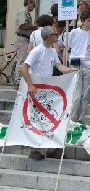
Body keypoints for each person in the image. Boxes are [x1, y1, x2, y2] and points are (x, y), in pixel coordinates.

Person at [20, 26, 77, 160]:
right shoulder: (37, 50)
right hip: (37, 90)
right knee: (38, 120)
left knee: (53, 118)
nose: (57, 36)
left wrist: (70, 70)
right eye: (55, 34)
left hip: (48, 89)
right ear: (48, 37)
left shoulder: (52, 51)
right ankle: (36, 150)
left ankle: (53, 148)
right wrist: (30, 85)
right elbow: (24, 67)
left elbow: (59, 66)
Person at [59, 12, 90, 123]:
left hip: (88, 66)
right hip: (75, 65)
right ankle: (72, 120)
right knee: (77, 95)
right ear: (83, 21)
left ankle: (81, 120)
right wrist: (65, 66)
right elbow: (65, 47)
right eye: (88, 21)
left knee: (85, 95)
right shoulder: (74, 32)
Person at [14, 0, 37, 86]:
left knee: (25, 60)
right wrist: (34, 26)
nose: (34, 7)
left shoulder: (27, 14)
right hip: (22, 38)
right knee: (22, 59)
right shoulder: (22, 12)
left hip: (26, 39)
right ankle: (18, 80)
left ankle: (21, 80)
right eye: (33, 4)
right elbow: (22, 26)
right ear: (28, 3)